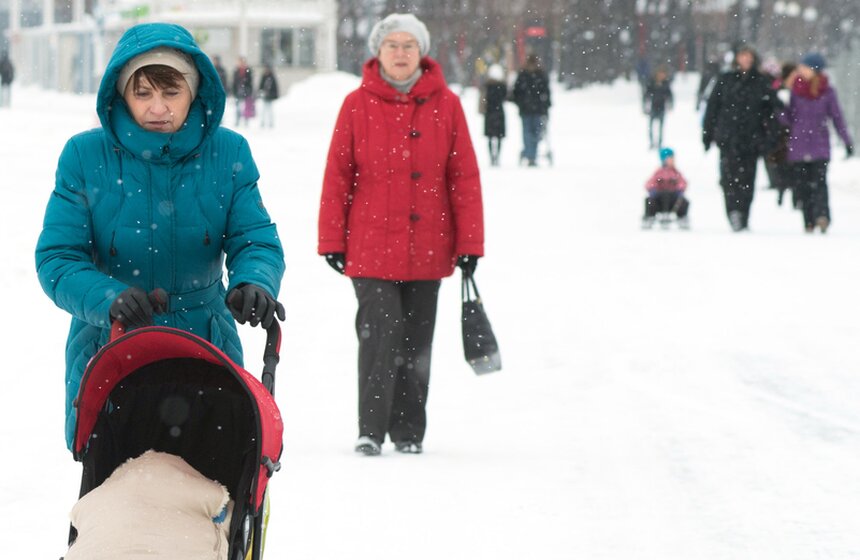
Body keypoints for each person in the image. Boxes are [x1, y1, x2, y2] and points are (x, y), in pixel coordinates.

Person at [35, 22, 285, 450]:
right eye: (143, 93)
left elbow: (254, 237)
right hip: (112, 345)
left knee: (213, 476)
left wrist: (254, 282)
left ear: (195, 92)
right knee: (117, 487)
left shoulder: (228, 153)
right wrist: (106, 297)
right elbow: (58, 257)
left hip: (205, 345)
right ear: (121, 95)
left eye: (171, 93)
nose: (158, 108)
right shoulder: (84, 155)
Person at [317, 13, 484, 456]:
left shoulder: (447, 105)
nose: (400, 53)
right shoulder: (356, 104)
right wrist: (332, 239)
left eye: (409, 45)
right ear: (378, 51)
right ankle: (370, 429)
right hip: (370, 246)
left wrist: (470, 244)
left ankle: (410, 432)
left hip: (429, 245)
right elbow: (338, 176)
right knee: (379, 333)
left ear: (421, 52)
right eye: (392, 44)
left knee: (417, 340)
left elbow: (463, 178)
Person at [702, 44, 777, 232]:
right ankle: (733, 212)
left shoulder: (761, 82)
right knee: (728, 179)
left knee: (747, 180)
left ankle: (743, 213)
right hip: (728, 139)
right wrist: (707, 134)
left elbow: (771, 112)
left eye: (748, 56)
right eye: (742, 56)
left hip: (752, 140)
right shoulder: (725, 80)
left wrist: (770, 138)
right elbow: (712, 108)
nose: (745, 60)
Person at [780, 53, 854, 233]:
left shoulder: (827, 91)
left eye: (805, 67)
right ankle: (808, 221)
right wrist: (780, 106)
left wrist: (847, 141)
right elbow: (787, 119)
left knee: (819, 183)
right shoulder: (794, 91)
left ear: (815, 70)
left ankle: (822, 216)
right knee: (803, 185)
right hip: (798, 146)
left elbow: (837, 117)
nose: (801, 70)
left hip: (819, 145)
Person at [512, 54, 551, 167]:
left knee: (530, 132)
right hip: (533, 109)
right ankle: (531, 154)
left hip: (530, 109)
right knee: (533, 132)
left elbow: (516, 92)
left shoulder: (525, 75)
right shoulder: (538, 75)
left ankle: (529, 153)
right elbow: (546, 93)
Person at [642, 147, 690, 230]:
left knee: (683, 201)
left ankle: (682, 217)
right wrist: (653, 189)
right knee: (649, 200)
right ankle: (649, 216)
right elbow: (649, 183)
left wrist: (680, 189)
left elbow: (682, 182)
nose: (673, 160)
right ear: (664, 160)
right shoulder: (659, 172)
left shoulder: (676, 172)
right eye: (670, 158)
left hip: (673, 199)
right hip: (659, 199)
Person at [482, 63, 507, 166]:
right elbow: (505, 97)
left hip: (489, 113)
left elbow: (484, 99)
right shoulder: (502, 86)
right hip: (499, 113)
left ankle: (492, 156)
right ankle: (497, 156)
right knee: (499, 136)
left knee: (490, 136)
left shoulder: (487, 86)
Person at [643, 66, 673, 150]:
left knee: (661, 127)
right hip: (653, 107)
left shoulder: (665, 84)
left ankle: (659, 143)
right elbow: (647, 94)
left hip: (662, 108)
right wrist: (645, 105)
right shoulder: (652, 83)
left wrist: (670, 104)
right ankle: (652, 142)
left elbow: (669, 95)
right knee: (651, 127)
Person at [232, 56, 254, 126]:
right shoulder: (236, 70)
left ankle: (246, 121)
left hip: (246, 91)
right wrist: (234, 91)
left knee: (246, 107)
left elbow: (250, 82)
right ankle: (237, 120)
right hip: (238, 91)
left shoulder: (248, 70)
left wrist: (249, 90)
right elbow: (234, 82)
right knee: (237, 107)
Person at [257, 64, 280, 128]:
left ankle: (271, 123)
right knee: (263, 110)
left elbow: (275, 87)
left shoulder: (272, 77)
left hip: (270, 97)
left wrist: (272, 95)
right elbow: (260, 86)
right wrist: (260, 92)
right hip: (264, 96)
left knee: (270, 110)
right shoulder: (263, 77)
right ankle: (262, 122)